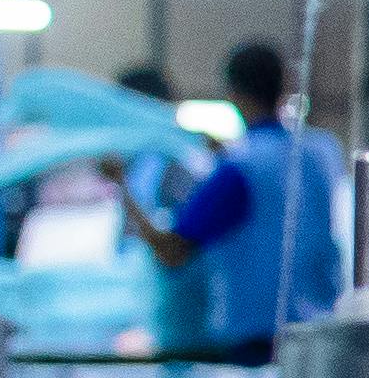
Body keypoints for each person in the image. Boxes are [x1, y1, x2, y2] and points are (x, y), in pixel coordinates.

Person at [127, 41, 344, 361]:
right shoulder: (322, 150)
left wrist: (122, 188)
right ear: (284, 86)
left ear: (232, 94)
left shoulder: (239, 167)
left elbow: (172, 252)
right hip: (322, 333)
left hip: (259, 341)